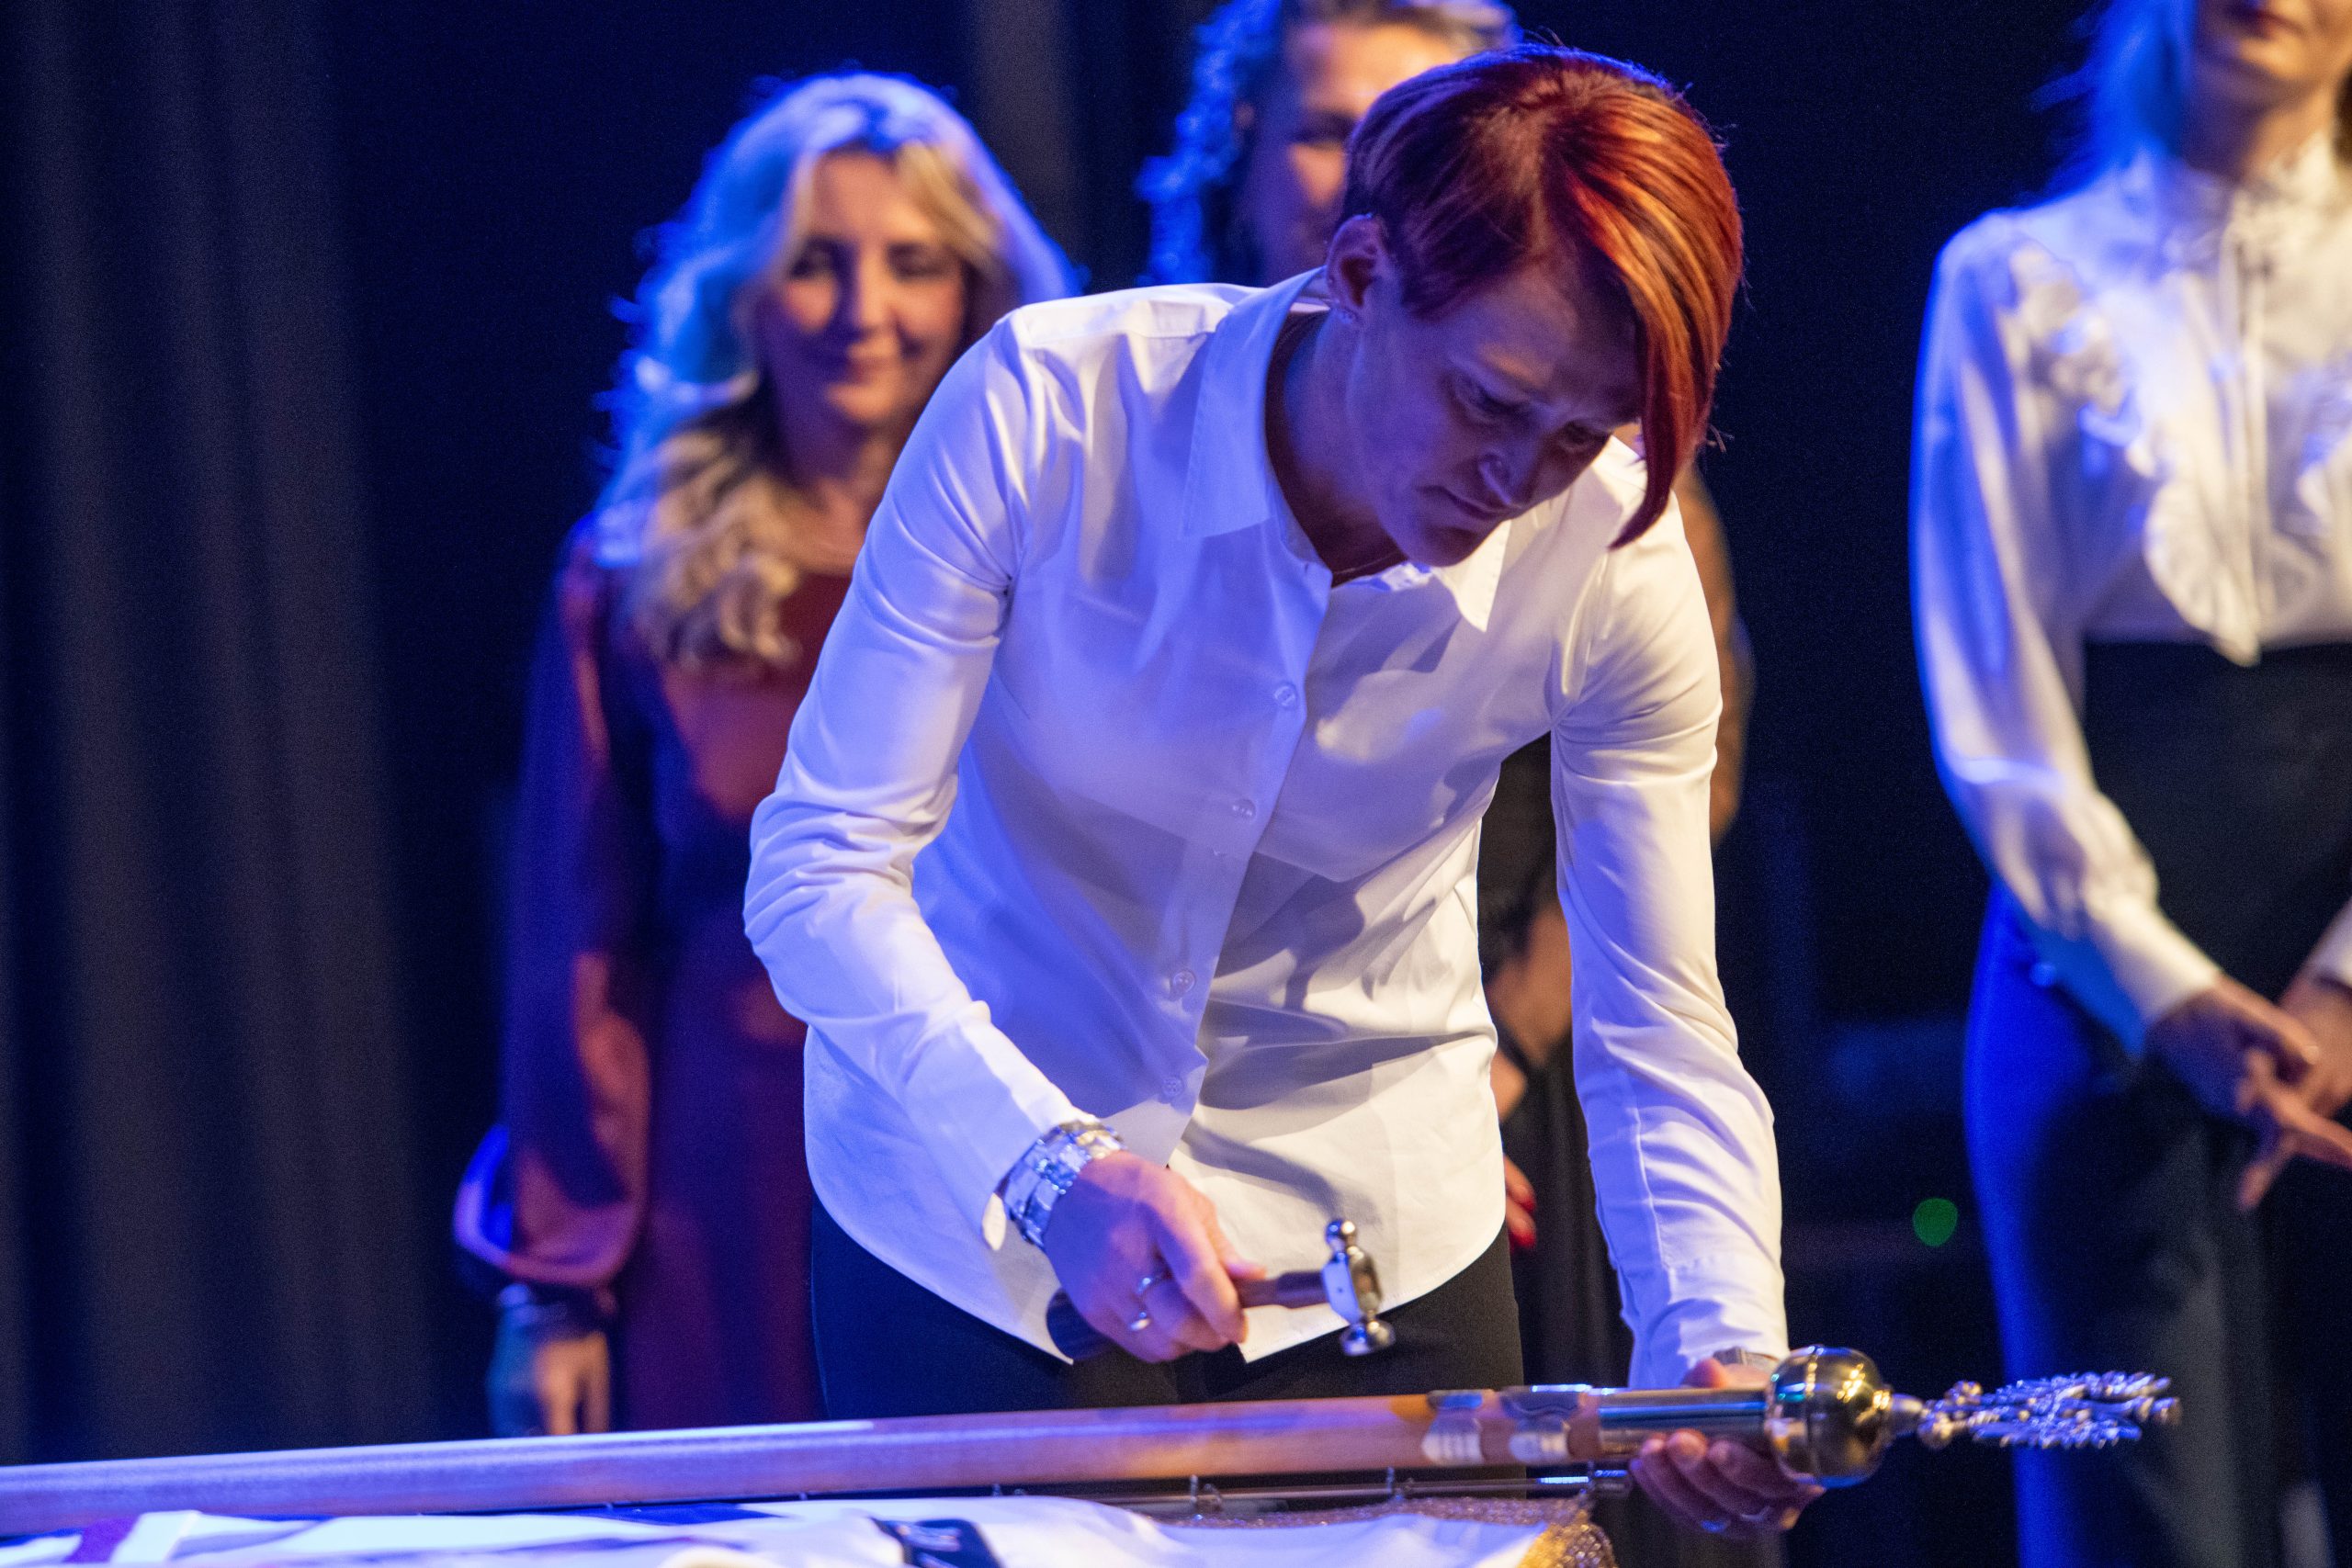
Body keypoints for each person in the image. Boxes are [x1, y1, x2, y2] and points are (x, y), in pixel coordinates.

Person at [748, 45, 1815, 1542]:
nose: (1519, 481)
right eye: (1488, 401)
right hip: (983, 1204)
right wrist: (1053, 1167)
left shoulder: (1615, 567)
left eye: (1578, 435)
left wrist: (1716, 1335)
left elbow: (1657, 1017)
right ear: (1360, 275)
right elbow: (819, 869)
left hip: (1373, 1213)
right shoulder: (1053, 410)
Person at [1138, 0, 1760, 1482]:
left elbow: (1658, 956)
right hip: (1122, 1136)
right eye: (1328, 129)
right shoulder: (1122, 415)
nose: (1381, 162)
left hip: (1484, 1060)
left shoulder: (1606, 514)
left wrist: (1484, 1073)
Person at [450, 73, 1073, 1438]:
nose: (865, 310)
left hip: (1010, 1149)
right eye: (814, 263)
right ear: (742, 295)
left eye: (914, 263)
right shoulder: (639, 579)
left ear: (978, 292)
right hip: (731, 1172)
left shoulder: (1069, 555)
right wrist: (554, 1289)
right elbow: (578, 945)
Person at [1912, 0, 2352, 1562]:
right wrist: (2159, 988)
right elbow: (1993, 687)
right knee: (2137, 1511)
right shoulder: (2011, 278)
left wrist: (2343, 987)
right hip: (2098, 951)